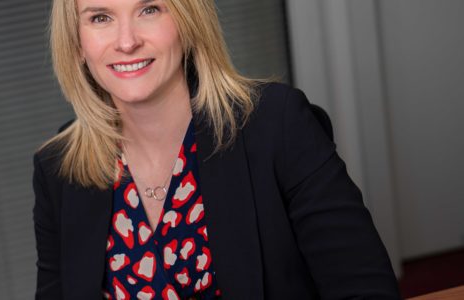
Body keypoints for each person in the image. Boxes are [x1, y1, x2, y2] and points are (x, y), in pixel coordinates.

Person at [32, 0, 400, 299]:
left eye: (150, 9)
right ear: (77, 43)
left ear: (188, 21)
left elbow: (365, 290)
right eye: (100, 17)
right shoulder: (58, 168)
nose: (127, 42)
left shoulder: (276, 124)